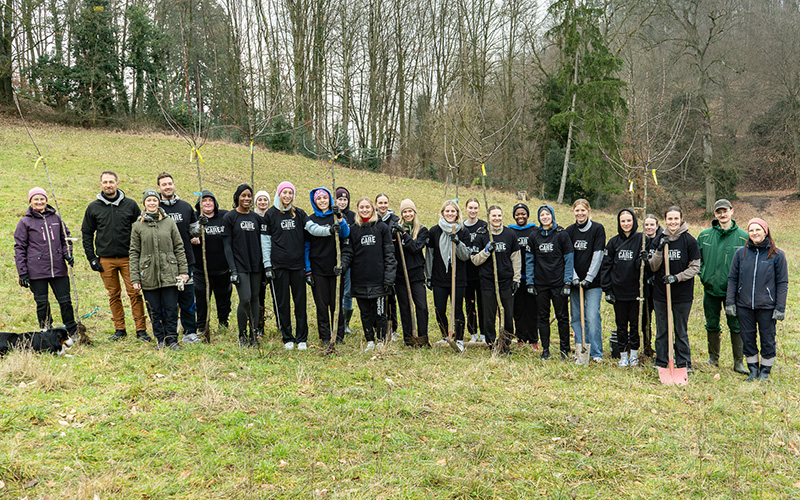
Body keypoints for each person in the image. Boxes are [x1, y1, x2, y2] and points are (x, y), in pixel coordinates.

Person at [81, 170, 149, 341]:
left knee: (135, 293)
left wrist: (141, 254)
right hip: (106, 259)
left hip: (129, 258)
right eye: (105, 182)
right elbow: (87, 233)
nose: (108, 185)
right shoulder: (93, 207)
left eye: (111, 182)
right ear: (101, 185)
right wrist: (92, 258)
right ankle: (120, 329)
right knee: (113, 295)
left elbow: (142, 229)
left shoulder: (131, 205)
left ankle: (141, 330)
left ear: (117, 184)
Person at [726, 218, 787, 381]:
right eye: (751, 230)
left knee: (767, 339)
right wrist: (730, 302)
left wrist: (780, 307)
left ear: (765, 231)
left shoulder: (777, 255)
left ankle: (765, 371)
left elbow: (782, 282)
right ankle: (753, 370)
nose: (754, 233)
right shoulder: (741, 253)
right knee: (748, 338)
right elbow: (732, 278)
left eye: (758, 230)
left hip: (767, 306)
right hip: (744, 305)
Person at [129, 190, 189, 350]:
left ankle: (172, 339)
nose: (152, 203)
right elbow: (134, 252)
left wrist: (183, 271)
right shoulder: (137, 226)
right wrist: (135, 278)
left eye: (154, 200)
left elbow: (179, 247)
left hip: (170, 272)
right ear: (144, 203)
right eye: (148, 200)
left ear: (158, 202)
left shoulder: (169, 223)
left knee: (170, 308)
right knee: (154, 310)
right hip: (148, 275)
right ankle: (160, 340)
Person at [14, 187, 77, 337]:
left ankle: (72, 331)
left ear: (46, 200)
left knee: (65, 301)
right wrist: (22, 272)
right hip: (37, 271)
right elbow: (19, 248)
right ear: (30, 202)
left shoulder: (56, 219)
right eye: (36, 199)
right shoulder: (25, 222)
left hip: (58, 268)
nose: (39, 201)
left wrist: (67, 254)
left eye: (42, 199)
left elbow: (65, 238)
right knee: (42, 304)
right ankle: (47, 332)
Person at [643, 206, 700, 373]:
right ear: (665, 220)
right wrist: (660, 249)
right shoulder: (659, 238)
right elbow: (653, 267)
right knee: (662, 329)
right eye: (670, 219)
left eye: (676, 219)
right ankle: (661, 361)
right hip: (661, 294)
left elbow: (695, 267)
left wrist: (677, 277)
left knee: (680, 330)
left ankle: (683, 363)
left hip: (682, 295)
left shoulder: (689, 240)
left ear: (681, 219)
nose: (673, 222)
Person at [697, 199, 749, 374]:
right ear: (715, 214)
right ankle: (713, 358)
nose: (722, 214)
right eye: (718, 212)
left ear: (732, 211)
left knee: (736, 325)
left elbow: (748, 264)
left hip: (733, 293)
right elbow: (698, 261)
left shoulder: (743, 237)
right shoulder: (704, 236)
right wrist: (704, 275)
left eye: (725, 211)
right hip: (710, 290)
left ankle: (738, 362)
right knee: (711, 324)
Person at [341, 197, 397, 351]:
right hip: (359, 279)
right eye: (361, 207)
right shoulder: (353, 229)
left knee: (380, 312)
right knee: (365, 313)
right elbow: (348, 253)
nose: (365, 210)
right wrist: (342, 266)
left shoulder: (382, 228)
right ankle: (369, 340)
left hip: (378, 279)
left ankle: (380, 340)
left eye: (367, 207)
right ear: (357, 209)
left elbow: (389, 254)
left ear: (372, 209)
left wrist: (389, 277)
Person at [262, 182, 310, 350]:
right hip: (278, 267)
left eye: (290, 193)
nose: (287, 196)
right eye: (285, 192)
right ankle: (287, 337)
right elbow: (265, 242)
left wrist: (327, 230)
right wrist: (267, 265)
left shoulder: (299, 214)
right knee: (282, 303)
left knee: (300, 303)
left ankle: (302, 338)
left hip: (298, 266)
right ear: (279, 194)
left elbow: (310, 230)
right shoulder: (270, 215)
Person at [157, 173, 200, 344]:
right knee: (168, 299)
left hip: (185, 261)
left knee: (188, 297)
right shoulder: (155, 208)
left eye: (170, 183)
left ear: (174, 185)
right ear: (159, 188)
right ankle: (170, 330)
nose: (167, 187)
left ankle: (190, 331)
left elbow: (194, 232)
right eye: (164, 184)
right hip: (164, 263)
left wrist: (200, 228)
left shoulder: (186, 207)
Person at [470, 205, 521, 352]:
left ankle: (505, 344)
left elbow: (516, 259)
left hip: (506, 282)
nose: (497, 218)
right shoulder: (482, 235)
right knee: (489, 316)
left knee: (508, 315)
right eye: (494, 216)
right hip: (487, 282)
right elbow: (474, 259)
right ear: (488, 218)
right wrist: (486, 251)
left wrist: (516, 279)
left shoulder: (510, 234)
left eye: (499, 216)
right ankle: (492, 344)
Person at [526, 205, 573, 360]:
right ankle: (545, 350)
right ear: (539, 218)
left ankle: (564, 350)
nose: (545, 217)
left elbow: (568, 259)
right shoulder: (534, 236)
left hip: (558, 284)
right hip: (541, 284)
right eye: (542, 215)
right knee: (542, 317)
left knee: (562, 317)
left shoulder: (562, 234)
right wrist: (530, 282)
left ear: (552, 215)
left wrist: (567, 282)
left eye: (547, 214)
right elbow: (530, 260)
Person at [305, 186, 351, 347]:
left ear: (330, 199)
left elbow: (345, 234)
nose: (322, 201)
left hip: (335, 268)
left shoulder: (337, 216)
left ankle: (338, 334)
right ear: (314, 201)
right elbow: (306, 246)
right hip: (318, 268)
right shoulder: (310, 220)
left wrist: (339, 217)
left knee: (336, 302)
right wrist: (308, 269)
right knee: (322, 304)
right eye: (319, 198)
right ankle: (324, 336)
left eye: (325, 197)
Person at [222, 184, 264, 347]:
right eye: (243, 196)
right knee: (245, 298)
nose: (246, 199)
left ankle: (253, 335)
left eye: (249, 196)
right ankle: (242, 335)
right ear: (237, 197)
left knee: (255, 299)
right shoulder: (230, 218)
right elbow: (227, 246)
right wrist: (232, 269)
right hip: (239, 265)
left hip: (256, 265)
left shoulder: (256, 218)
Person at [601, 209, 644, 367]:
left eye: (629, 220)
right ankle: (623, 355)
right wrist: (607, 290)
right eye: (623, 221)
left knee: (634, 325)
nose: (626, 224)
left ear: (634, 221)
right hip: (618, 291)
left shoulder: (641, 240)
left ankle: (634, 354)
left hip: (635, 292)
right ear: (619, 223)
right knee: (621, 325)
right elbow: (606, 267)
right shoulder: (613, 242)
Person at [426, 200, 471, 350]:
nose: (450, 214)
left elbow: (465, 256)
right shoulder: (434, 231)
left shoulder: (463, 231)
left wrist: (458, 243)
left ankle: (459, 339)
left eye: (453, 211)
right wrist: (429, 276)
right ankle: (445, 336)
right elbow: (430, 255)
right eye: (447, 211)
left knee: (457, 309)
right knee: (439, 309)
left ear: (457, 213)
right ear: (442, 213)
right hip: (439, 277)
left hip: (458, 278)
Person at [566, 199, 605, 363]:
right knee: (576, 317)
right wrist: (574, 277)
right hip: (575, 284)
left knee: (592, 316)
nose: (580, 213)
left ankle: (596, 353)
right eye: (577, 210)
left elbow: (598, 255)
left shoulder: (597, 229)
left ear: (589, 211)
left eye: (583, 210)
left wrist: (589, 278)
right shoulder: (569, 231)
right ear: (573, 212)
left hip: (593, 283)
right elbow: (568, 257)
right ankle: (581, 349)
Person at [191, 190, 232, 334]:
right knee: (201, 297)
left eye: (210, 200)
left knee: (224, 298)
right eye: (204, 200)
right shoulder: (194, 218)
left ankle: (223, 323)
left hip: (222, 269)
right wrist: (193, 237)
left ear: (215, 203)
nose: (207, 203)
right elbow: (186, 233)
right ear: (199, 204)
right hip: (201, 270)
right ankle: (202, 326)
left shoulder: (224, 216)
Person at [391, 199, 430, 347]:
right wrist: (395, 233)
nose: (408, 214)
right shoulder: (396, 229)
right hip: (401, 275)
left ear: (414, 212)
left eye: (410, 211)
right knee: (405, 307)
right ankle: (408, 338)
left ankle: (422, 337)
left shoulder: (422, 230)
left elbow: (415, 248)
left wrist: (405, 235)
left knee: (422, 307)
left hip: (416, 274)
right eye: (405, 212)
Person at [508, 203, 538, 349]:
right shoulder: (510, 232)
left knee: (532, 310)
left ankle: (533, 340)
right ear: (514, 215)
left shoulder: (535, 230)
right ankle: (520, 338)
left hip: (532, 278)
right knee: (518, 310)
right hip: (516, 277)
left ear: (528, 214)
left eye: (523, 213)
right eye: (517, 214)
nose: (520, 216)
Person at [375, 193, 400, 340]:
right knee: (378, 297)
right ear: (376, 204)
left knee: (391, 298)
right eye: (380, 203)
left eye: (385, 202)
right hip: (377, 262)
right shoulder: (373, 219)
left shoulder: (395, 220)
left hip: (391, 261)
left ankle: (393, 328)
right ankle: (378, 326)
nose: (383, 205)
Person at [463, 198, 487, 343]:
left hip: (482, 272)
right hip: (466, 272)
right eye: (470, 207)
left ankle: (484, 333)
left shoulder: (484, 226)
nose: (473, 210)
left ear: (479, 209)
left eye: (475, 208)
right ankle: (473, 332)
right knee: (469, 303)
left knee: (483, 303)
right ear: (466, 209)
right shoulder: (461, 227)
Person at [334, 186, 356, 341]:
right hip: (334, 257)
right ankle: (337, 321)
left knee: (348, 291)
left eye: (345, 199)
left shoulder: (353, 216)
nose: (342, 202)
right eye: (340, 199)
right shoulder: (332, 215)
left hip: (350, 257)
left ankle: (346, 322)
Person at [640, 214, 662, 358]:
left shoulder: (662, 240)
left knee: (660, 319)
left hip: (659, 286)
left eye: (651, 225)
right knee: (645, 320)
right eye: (646, 225)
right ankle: (646, 346)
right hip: (644, 286)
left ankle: (662, 348)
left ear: (657, 226)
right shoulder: (641, 241)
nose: (649, 227)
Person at [253, 190, 271, 338]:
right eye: (260, 200)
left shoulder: (272, 216)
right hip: (255, 261)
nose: (263, 202)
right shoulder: (252, 217)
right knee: (259, 295)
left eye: (265, 200)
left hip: (272, 260)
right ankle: (259, 325)